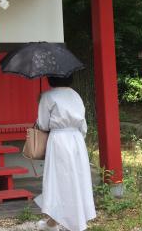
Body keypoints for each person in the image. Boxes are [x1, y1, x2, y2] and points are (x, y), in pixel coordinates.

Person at [34, 75, 96, 231]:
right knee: (75, 179)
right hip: (77, 140)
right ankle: (55, 223)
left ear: (51, 79)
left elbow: (42, 124)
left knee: (59, 180)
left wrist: (40, 102)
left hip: (59, 140)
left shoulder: (48, 96)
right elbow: (83, 124)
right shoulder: (76, 95)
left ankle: (64, 224)